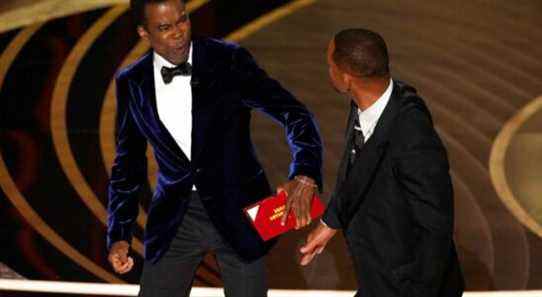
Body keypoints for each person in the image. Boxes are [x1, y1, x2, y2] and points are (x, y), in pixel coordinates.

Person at [106, 0, 323, 296]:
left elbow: (294, 113)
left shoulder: (229, 60)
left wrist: (305, 173)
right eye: (165, 27)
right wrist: (119, 233)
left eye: (182, 21)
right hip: (176, 220)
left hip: (240, 212)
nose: (179, 33)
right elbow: (127, 164)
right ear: (144, 33)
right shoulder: (131, 82)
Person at [300, 28, 464, 297]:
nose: (327, 69)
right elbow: (356, 171)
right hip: (377, 274)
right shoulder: (366, 104)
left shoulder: (413, 136)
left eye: (330, 64)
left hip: (408, 286)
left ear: (346, 78)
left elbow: (436, 226)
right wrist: (330, 223)